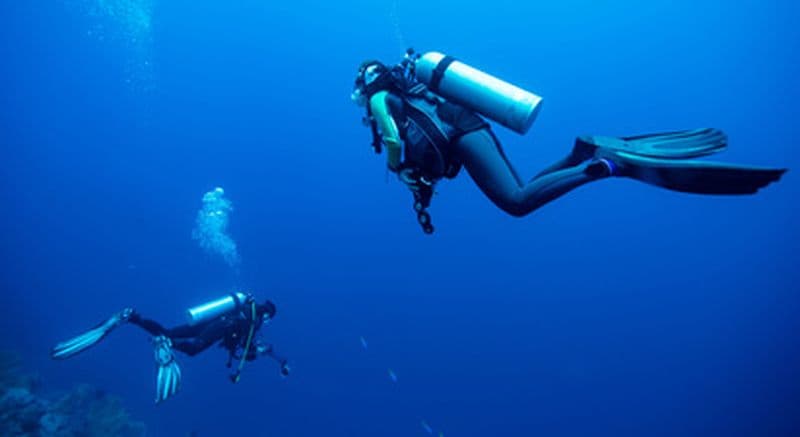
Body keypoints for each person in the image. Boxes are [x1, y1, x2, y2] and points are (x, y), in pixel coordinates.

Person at [351, 50, 786, 233]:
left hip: (461, 132)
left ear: (364, 84)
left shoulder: (379, 99)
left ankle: (605, 165)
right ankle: (581, 152)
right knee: (522, 191)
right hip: (467, 126)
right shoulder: (408, 90)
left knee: (517, 203)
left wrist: (396, 167)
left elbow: (393, 139)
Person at [51, 293, 289, 403]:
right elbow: (243, 349)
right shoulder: (254, 320)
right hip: (220, 327)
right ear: (268, 315)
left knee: (167, 331)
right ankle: (167, 344)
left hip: (209, 321)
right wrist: (257, 354)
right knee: (193, 349)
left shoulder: (244, 308)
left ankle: (132, 317)